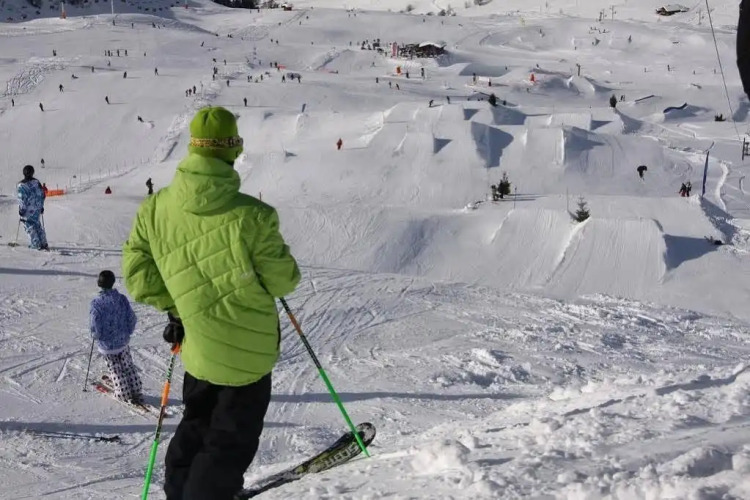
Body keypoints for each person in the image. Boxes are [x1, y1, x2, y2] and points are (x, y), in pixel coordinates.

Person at [122, 106, 300, 500]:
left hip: (198, 350)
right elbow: (284, 279)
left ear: (193, 147)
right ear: (233, 149)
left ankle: (179, 491)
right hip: (249, 356)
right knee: (228, 442)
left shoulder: (154, 209)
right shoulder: (255, 216)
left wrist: (178, 306)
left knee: (196, 423)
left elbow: (138, 274)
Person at [89, 270, 142, 403]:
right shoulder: (122, 299)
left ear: (99, 283)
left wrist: (96, 335)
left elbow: (95, 324)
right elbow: (131, 317)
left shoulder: (96, 303)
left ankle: (123, 392)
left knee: (115, 368)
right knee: (127, 365)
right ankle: (135, 388)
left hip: (107, 345)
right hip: (123, 341)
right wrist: (128, 332)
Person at [17, 165, 48, 250]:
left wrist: (22, 210)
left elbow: (22, 199)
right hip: (37, 208)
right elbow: (42, 194)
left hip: (28, 210)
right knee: (37, 224)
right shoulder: (36, 182)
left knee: (29, 225)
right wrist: (41, 206)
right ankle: (43, 242)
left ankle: (36, 244)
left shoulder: (22, 185)